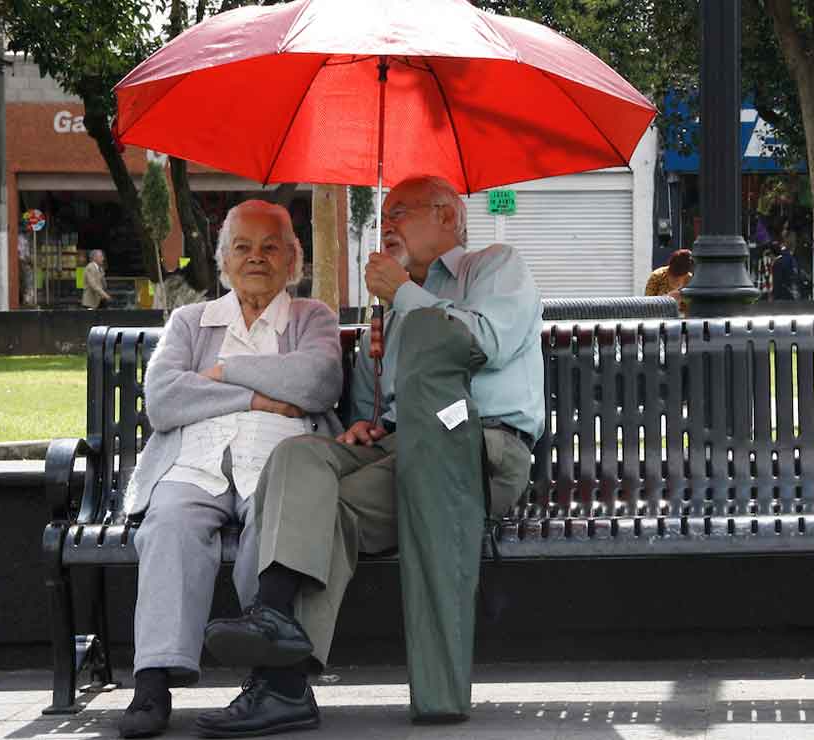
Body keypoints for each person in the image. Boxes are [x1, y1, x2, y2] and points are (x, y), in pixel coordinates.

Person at [195, 175, 543, 737]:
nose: (388, 226)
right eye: (383, 216)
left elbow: (482, 343)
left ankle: (281, 683)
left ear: (449, 218)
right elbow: (372, 402)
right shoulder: (393, 304)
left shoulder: (495, 267)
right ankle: (274, 617)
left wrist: (404, 293)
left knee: (328, 511)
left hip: (477, 451)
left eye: (402, 212)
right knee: (300, 458)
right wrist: (363, 421)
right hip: (399, 448)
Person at [117, 200, 346, 738]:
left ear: (294, 258)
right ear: (223, 259)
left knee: (273, 534)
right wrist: (259, 399)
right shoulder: (191, 321)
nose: (256, 258)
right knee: (167, 525)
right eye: (242, 247)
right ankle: (152, 682)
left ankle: (272, 679)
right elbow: (166, 399)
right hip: (195, 461)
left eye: (271, 247)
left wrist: (224, 374)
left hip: (279, 463)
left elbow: (316, 383)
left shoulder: (313, 318)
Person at [645, 249, 693, 314]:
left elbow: (692, 304)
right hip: (659, 316)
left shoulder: (690, 279)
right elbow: (647, 303)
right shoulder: (657, 276)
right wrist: (668, 298)